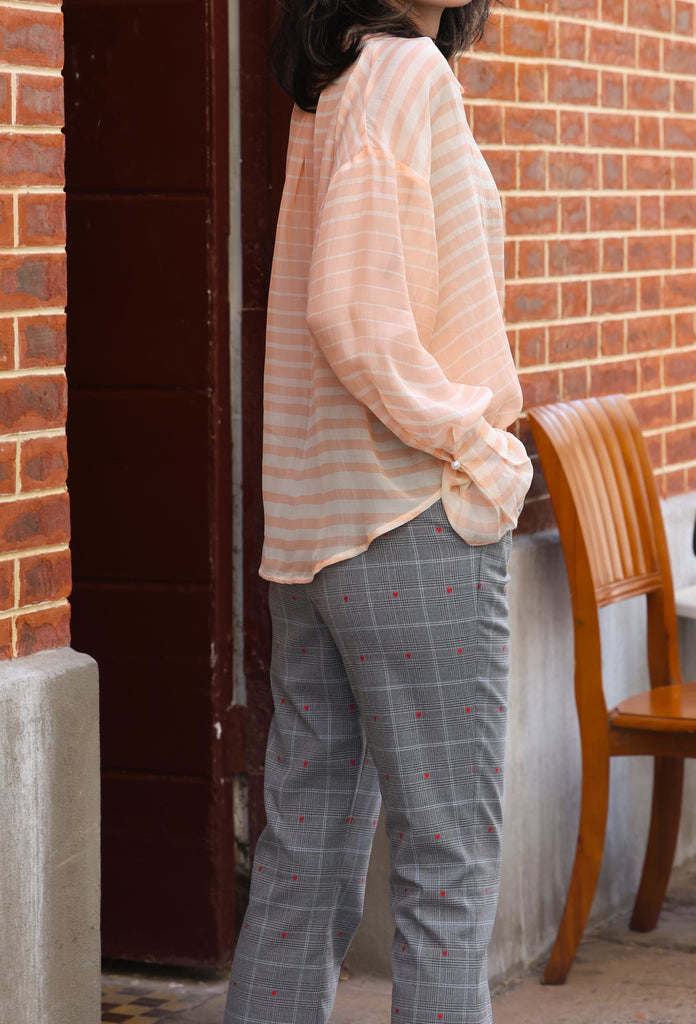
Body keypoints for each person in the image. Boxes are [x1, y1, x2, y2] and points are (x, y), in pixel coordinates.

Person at [224, 1, 533, 1021]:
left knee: (303, 861)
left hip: (320, 535)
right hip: (413, 519)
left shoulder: (341, 83)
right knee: (447, 872)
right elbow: (351, 315)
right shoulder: (405, 73)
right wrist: (473, 442)